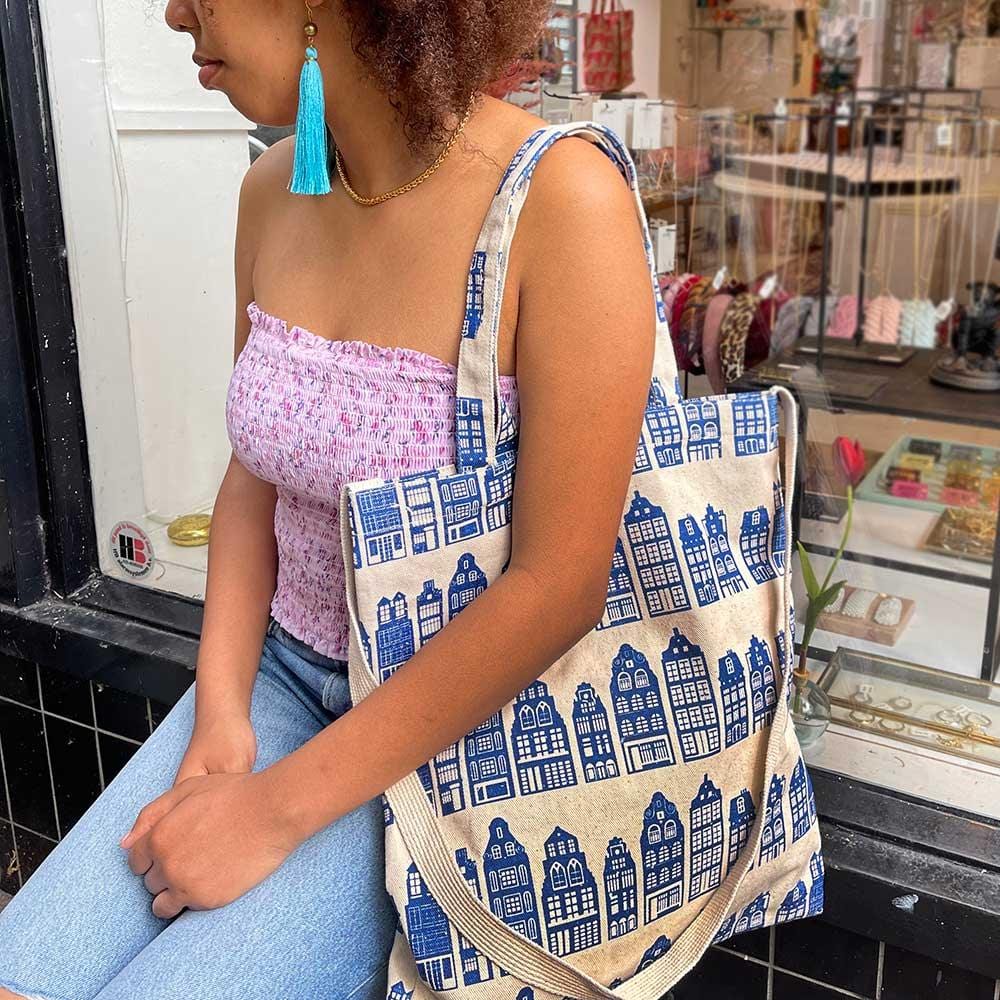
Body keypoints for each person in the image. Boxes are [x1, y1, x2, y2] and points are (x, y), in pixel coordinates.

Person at [0, 1, 657, 997]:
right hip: (275, 679)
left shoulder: (563, 199)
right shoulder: (273, 189)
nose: (174, 13)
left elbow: (559, 584)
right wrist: (219, 716)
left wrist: (269, 813)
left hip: (455, 736)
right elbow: (250, 482)